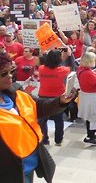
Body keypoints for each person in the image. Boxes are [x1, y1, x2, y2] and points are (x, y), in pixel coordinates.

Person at [0, 52, 74, 183]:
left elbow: (40, 107)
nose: (10, 76)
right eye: (3, 74)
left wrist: (61, 101)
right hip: (9, 174)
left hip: (30, 167)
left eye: (11, 71)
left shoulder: (16, 92)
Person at [37, 49, 71, 146]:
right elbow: (70, 68)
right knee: (58, 119)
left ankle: (44, 138)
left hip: (43, 96)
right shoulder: (63, 70)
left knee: (43, 120)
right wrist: (68, 55)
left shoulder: (41, 68)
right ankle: (58, 139)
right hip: (58, 98)